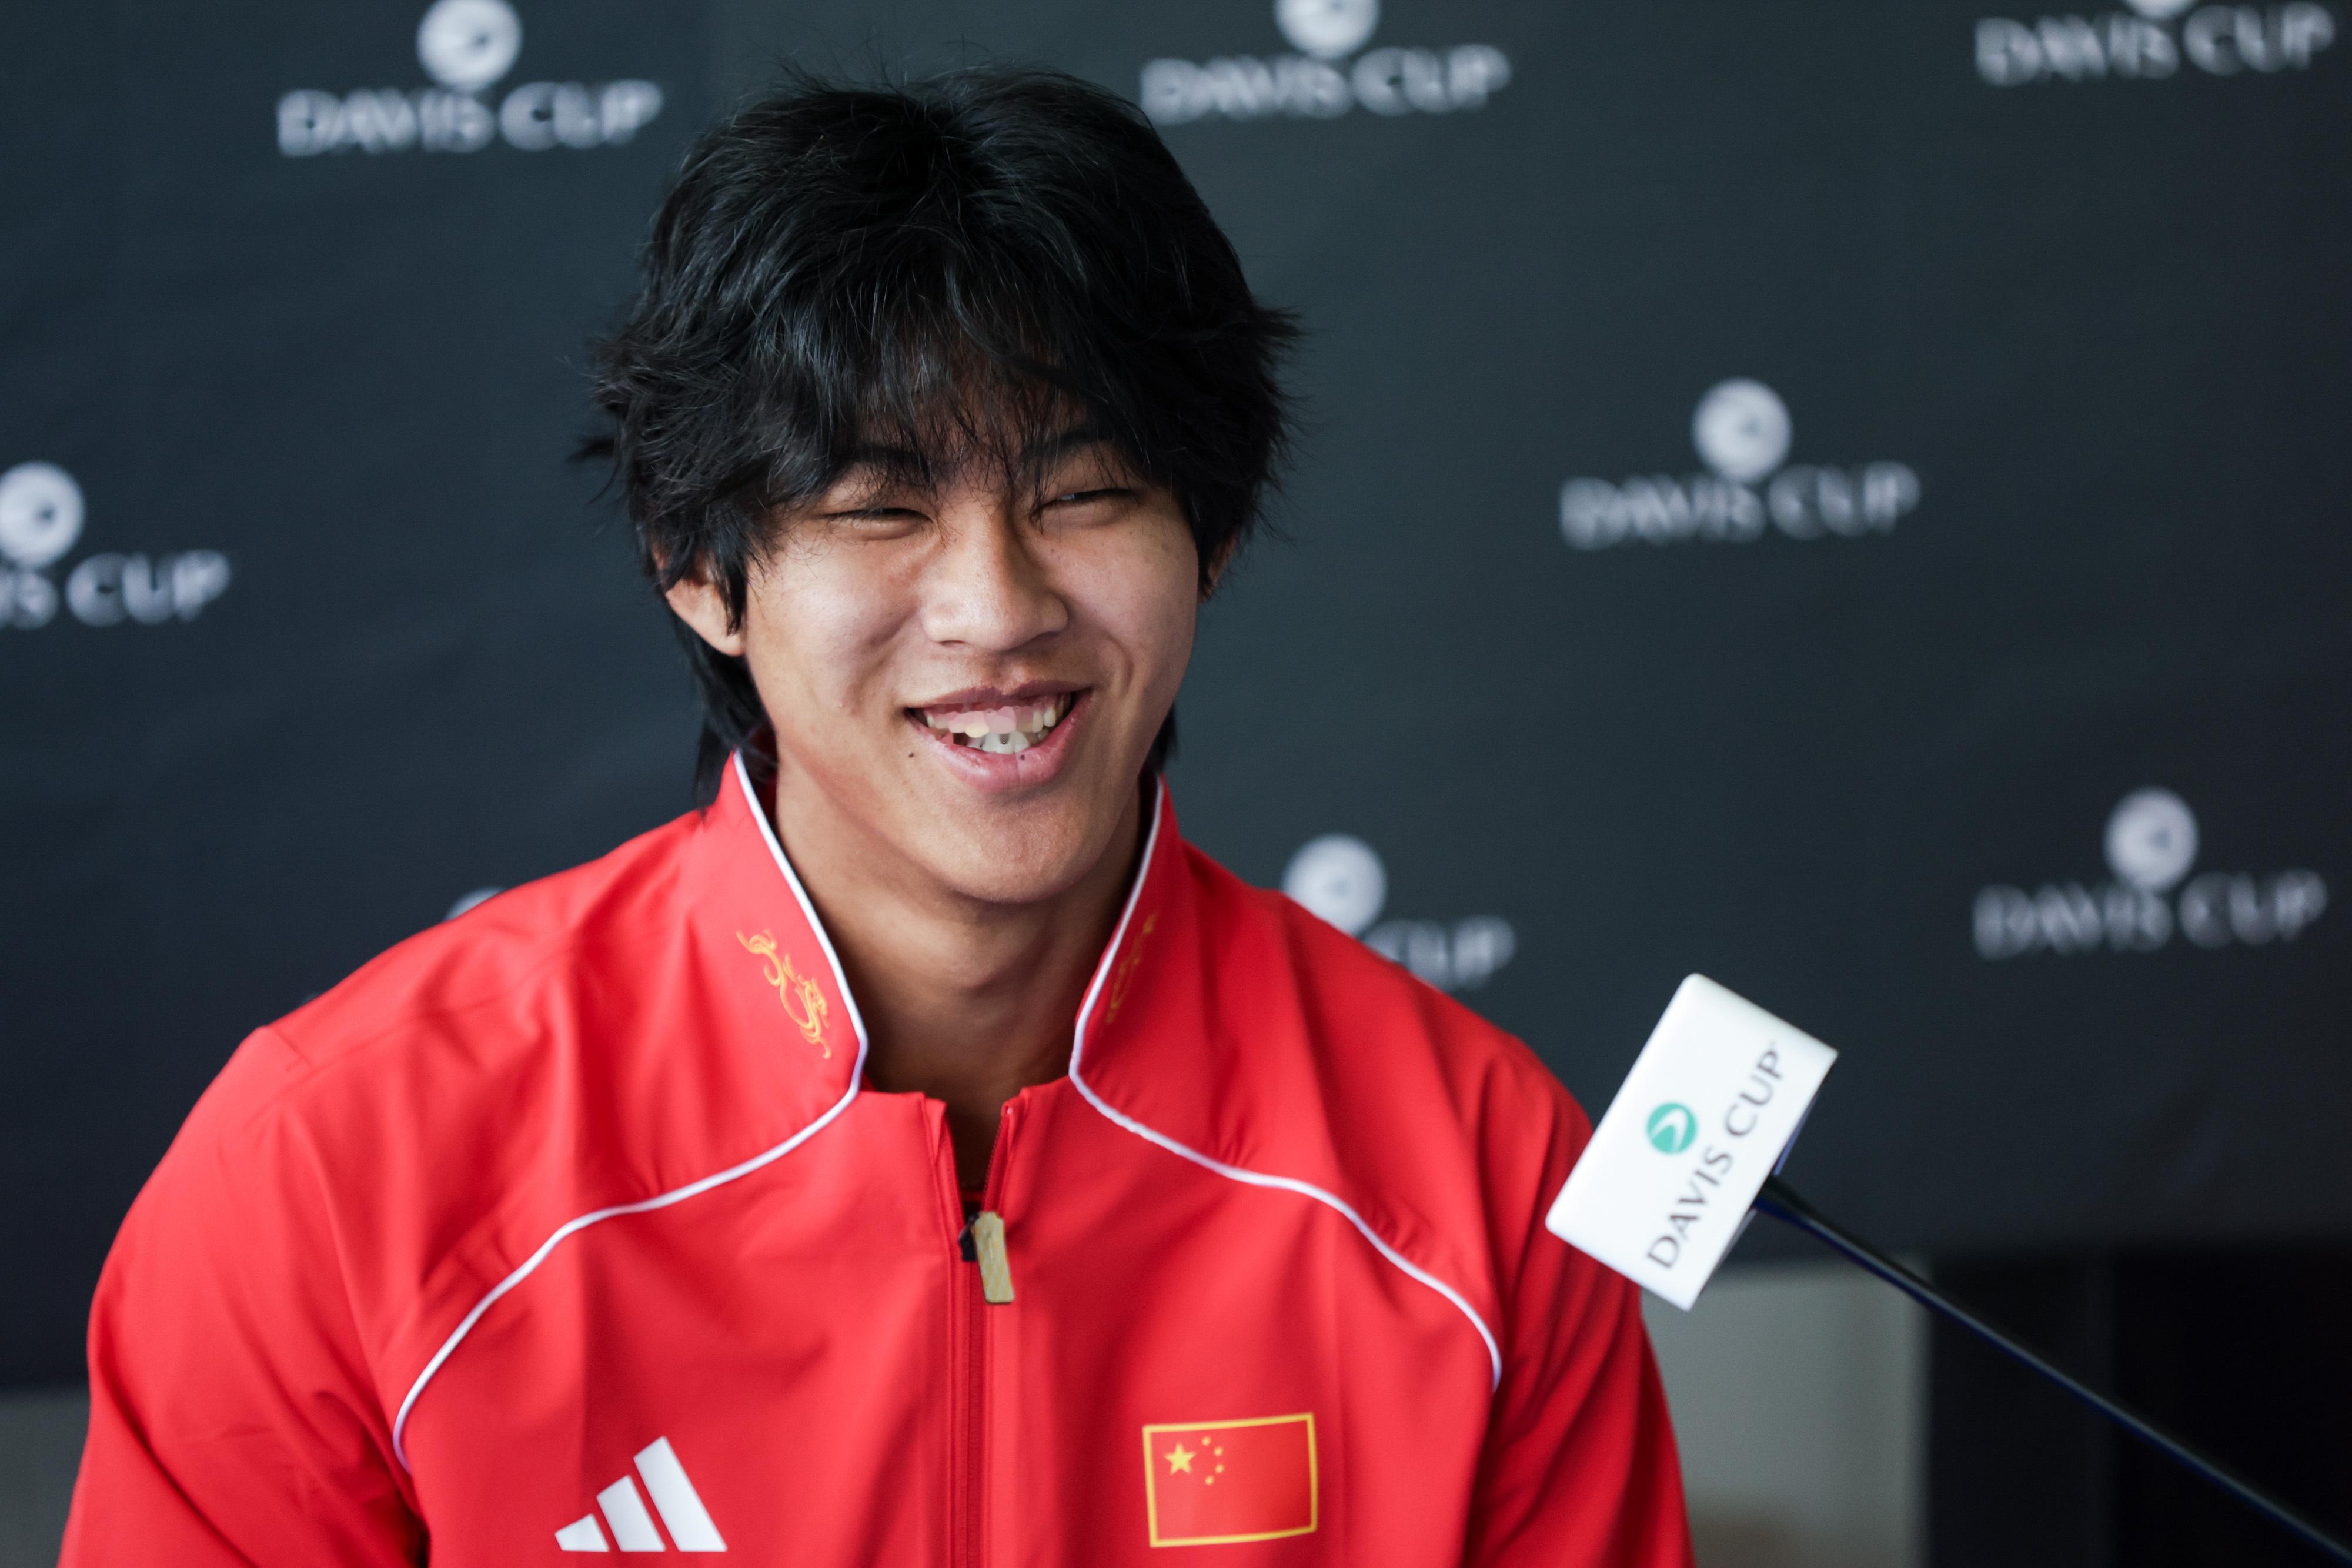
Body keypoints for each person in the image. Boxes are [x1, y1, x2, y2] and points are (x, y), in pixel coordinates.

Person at [62, 69, 1690, 1566]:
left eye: (1083, 491)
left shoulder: (1475, 1177)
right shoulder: (338, 1171)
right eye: (880, 506)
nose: (998, 608)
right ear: (697, 568)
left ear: (1211, 533)